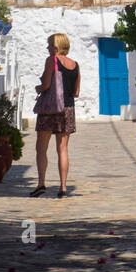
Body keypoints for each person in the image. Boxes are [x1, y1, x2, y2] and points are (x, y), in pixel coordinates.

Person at [30, 33, 79, 198]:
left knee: (41, 148)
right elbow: (76, 92)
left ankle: (41, 183)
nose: (47, 48)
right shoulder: (75, 65)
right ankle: (63, 187)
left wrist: (39, 88)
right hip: (68, 109)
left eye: (49, 45)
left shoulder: (52, 60)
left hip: (51, 109)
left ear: (56, 46)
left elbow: (46, 85)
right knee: (63, 149)